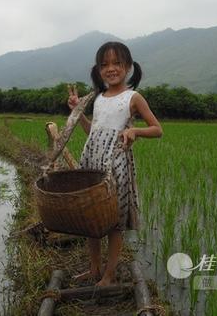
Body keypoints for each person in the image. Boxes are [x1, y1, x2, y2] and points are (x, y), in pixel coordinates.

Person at [67, 41, 163, 286]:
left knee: (113, 221)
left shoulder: (133, 97)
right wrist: (79, 113)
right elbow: (93, 132)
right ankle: (94, 269)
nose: (111, 68)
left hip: (116, 164)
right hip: (92, 161)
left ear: (128, 67)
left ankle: (109, 274)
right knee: (92, 218)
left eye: (117, 63)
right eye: (105, 64)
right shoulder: (99, 98)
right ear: (99, 70)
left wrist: (135, 132)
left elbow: (157, 129)